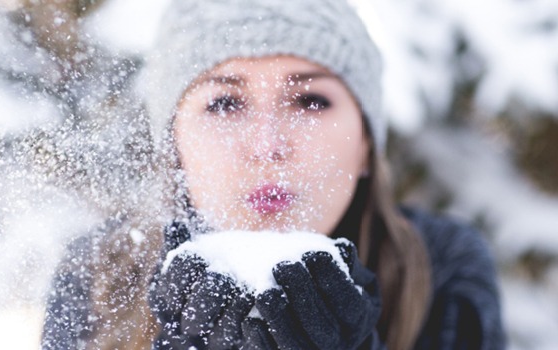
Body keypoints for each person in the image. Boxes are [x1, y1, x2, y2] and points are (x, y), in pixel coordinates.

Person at [41, 0, 505, 349]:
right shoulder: (103, 274)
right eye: (224, 102)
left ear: (366, 144)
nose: (267, 147)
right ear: (175, 147)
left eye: (310, 101)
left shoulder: (439, 267)